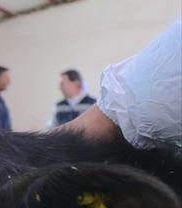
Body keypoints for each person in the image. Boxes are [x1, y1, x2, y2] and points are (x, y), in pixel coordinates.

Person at [62, 18, 181, 149]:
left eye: (64, 82)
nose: (60, 86)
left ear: (76, 83)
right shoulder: (60, 106)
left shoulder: (95, 102)